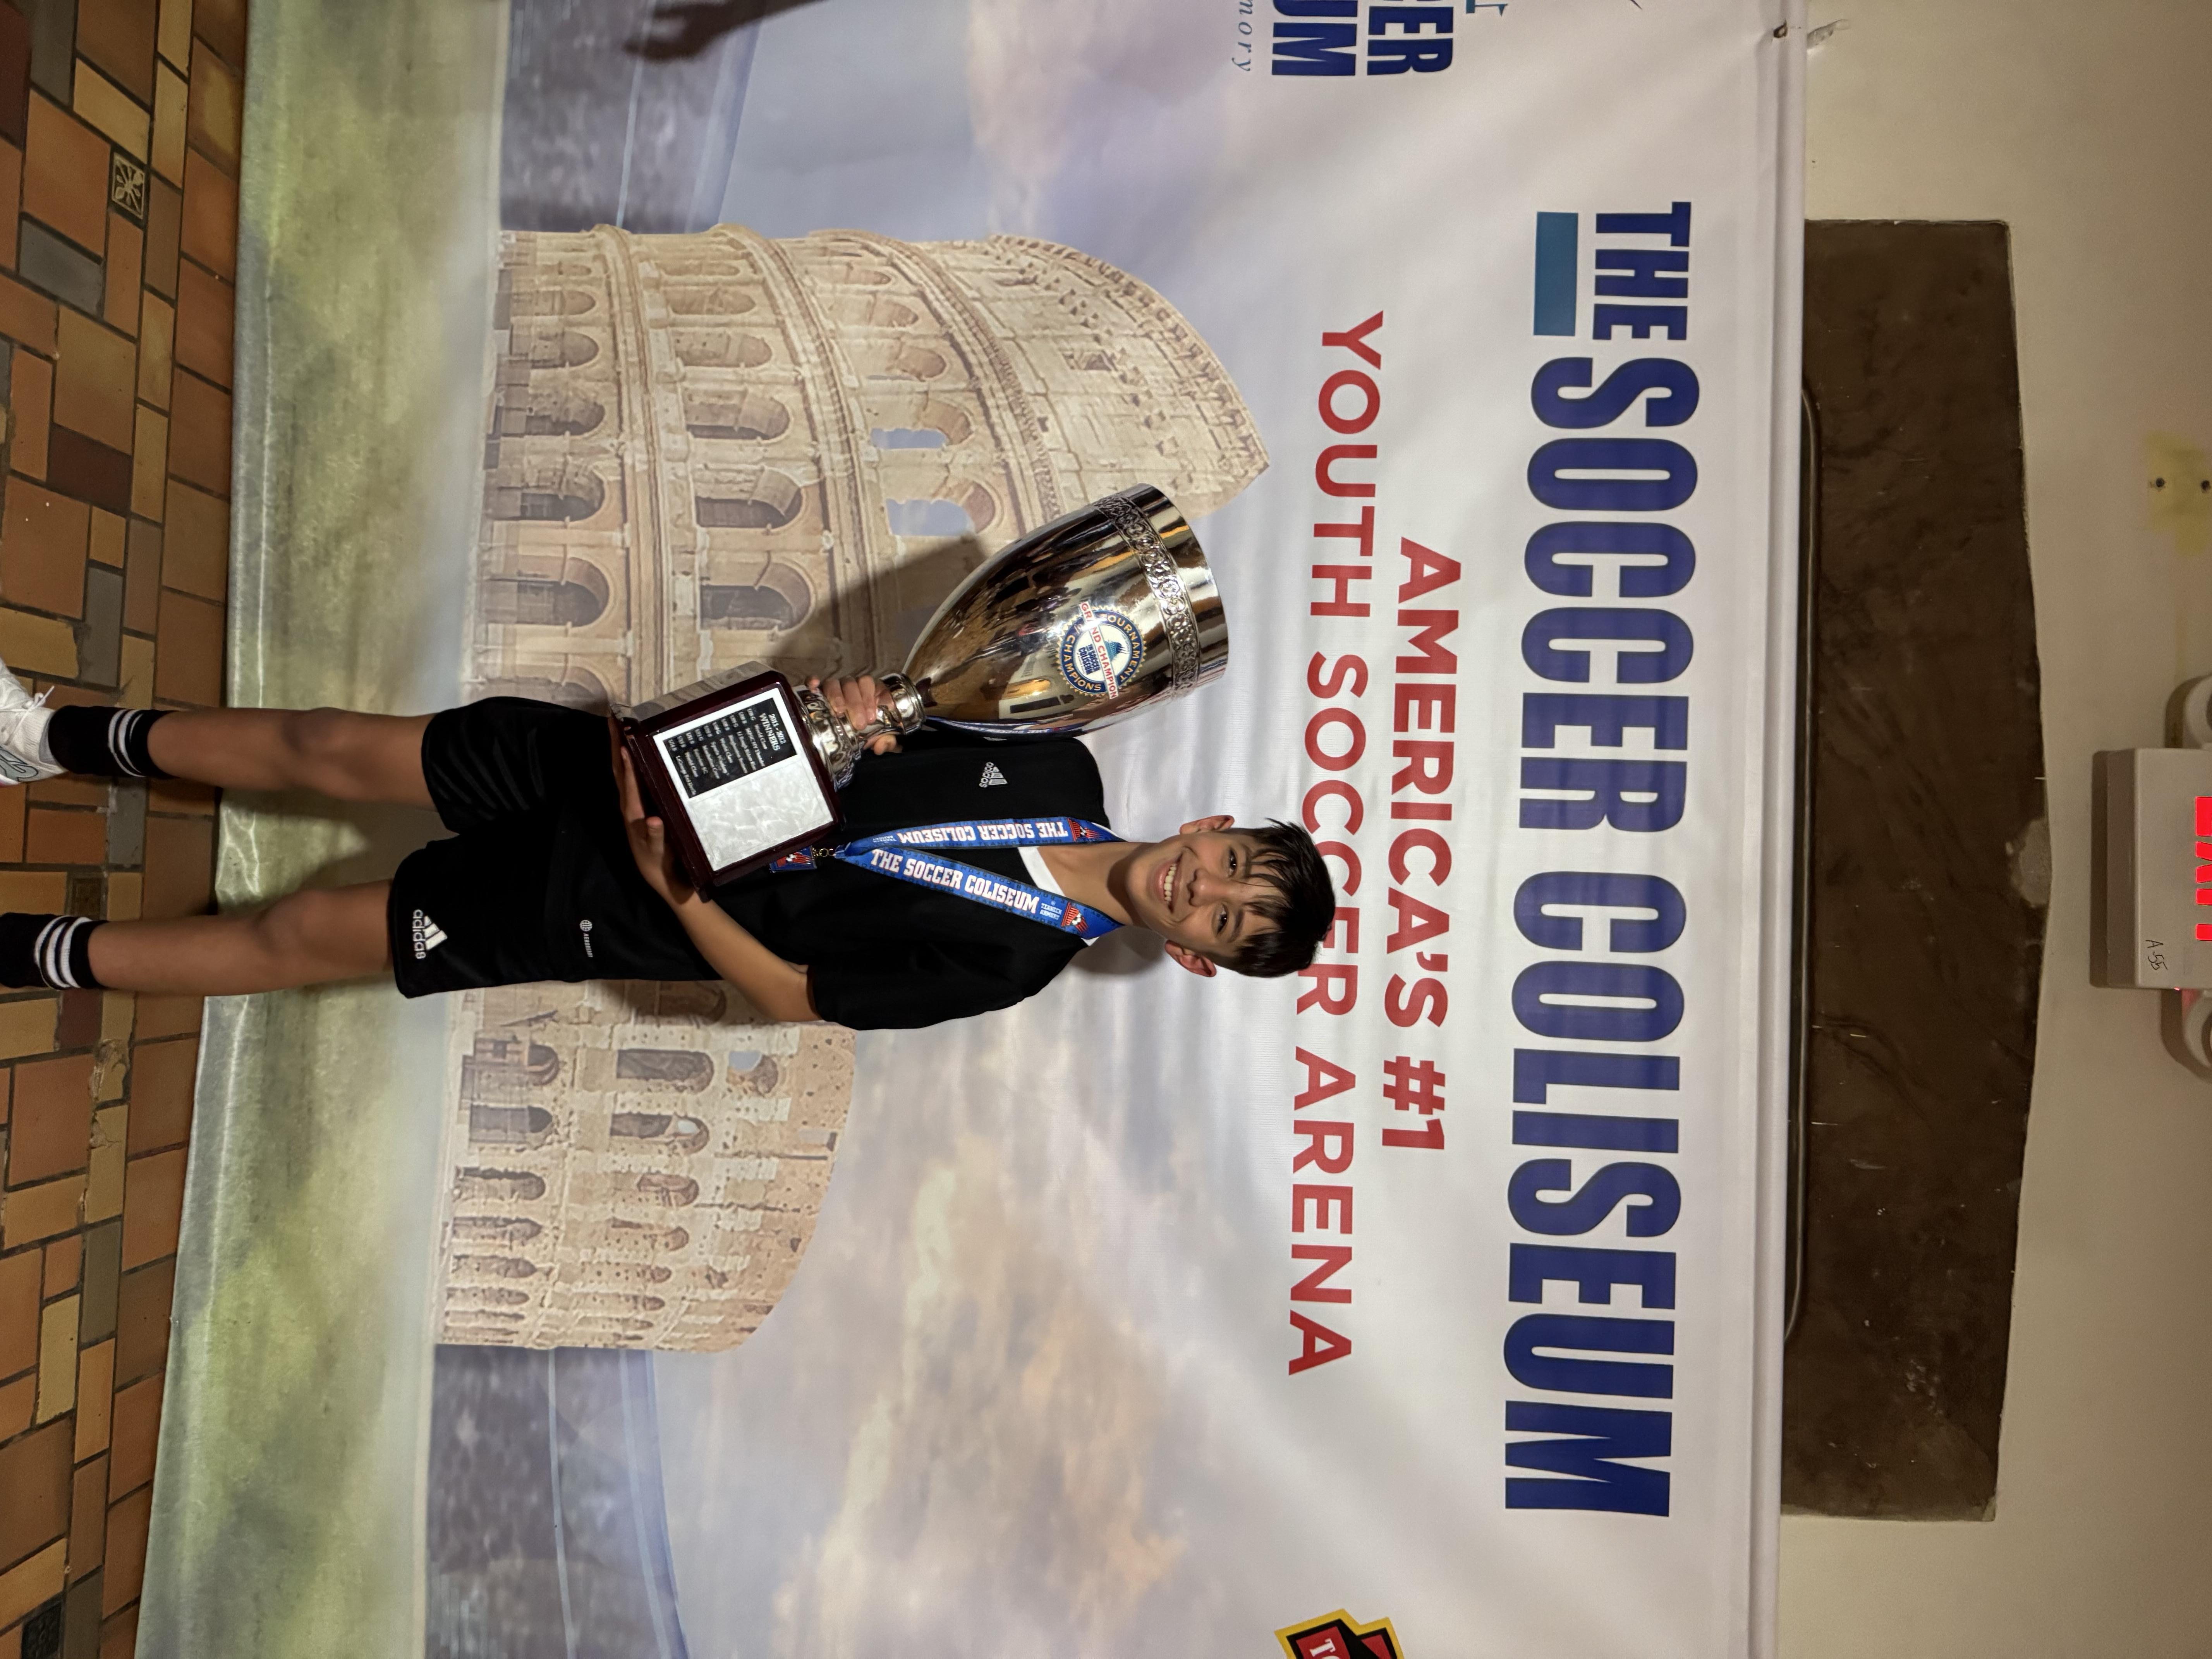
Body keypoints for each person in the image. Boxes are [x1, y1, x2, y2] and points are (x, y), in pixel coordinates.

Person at [0, 661, 1335, 1029]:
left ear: (1194, 957)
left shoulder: (1017, 966)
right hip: (640, 766)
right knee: (328, 743)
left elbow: (797, 994)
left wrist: (673, 890)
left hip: (621, 900)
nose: (1204, 890)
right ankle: (49, 737)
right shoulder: (1054, 762)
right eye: (1231, 867)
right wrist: (851, 700)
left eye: (1223, 922)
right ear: (1212, 827)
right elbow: (874, 728)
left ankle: (34, 954)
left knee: (301, 933)